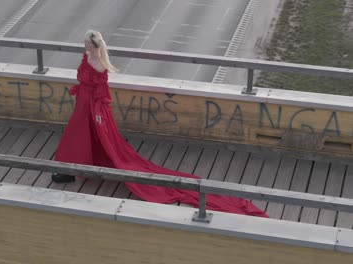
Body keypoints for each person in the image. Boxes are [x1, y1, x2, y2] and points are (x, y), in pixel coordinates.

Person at [52, 30, 268, 218]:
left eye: (87, 43)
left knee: (78, 135)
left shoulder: (98, 64)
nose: (84, 46)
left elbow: (102, 94)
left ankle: (70, 169)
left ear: (94, 45)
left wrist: (98, 114)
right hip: (83, 103)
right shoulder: (88, 57)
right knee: (78, 136)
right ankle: (71, 168)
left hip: (92, 108)